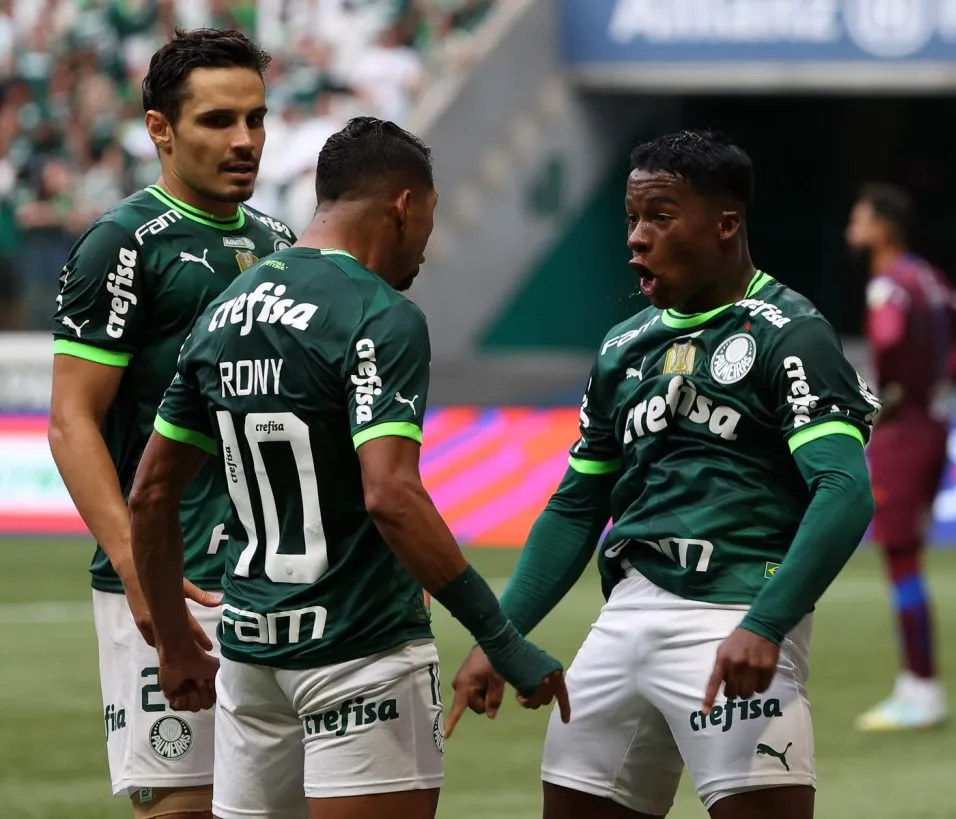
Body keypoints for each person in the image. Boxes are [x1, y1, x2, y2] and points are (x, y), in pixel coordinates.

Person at [127, 116, 570, 819]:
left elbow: (150, 494)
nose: (427, 240)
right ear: (403, 205)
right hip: (360, 652)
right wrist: (501, 638)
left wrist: (177, 646)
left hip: (252, 658)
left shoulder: (223, 311)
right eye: (429, 215)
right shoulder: (378, 312)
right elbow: (391, 494)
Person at [447, 130, 880, 819]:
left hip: (733, 614)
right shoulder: (624, 346)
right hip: (622, 619)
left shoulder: (790, 333)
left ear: (726, 223)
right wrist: (500, 636)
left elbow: (846, 491)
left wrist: (765, 622)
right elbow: (575, 506)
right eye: (631, 218)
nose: (637, 239)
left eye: (660, 216)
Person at [47, 29, 297, 819]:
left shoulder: (279, 242)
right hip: (169, 579)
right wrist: (137, 571)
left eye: (256, 119)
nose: (244, 140)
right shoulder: (121, 244)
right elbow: (70, 421)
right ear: (160, 129)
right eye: (218, 121)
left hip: (274, 577)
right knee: (183, 806)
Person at [845, 183, 956, 732]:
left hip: (903, 434)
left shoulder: (888, 286)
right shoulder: (928, 276)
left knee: (901, 560)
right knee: (908, 558)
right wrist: (942, 381)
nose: (850, 230)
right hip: (935, 424)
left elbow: (888, 339)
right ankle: (919, 685)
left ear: (883, 227)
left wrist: (883, 395)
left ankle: (921, 690)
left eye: (858, 219)